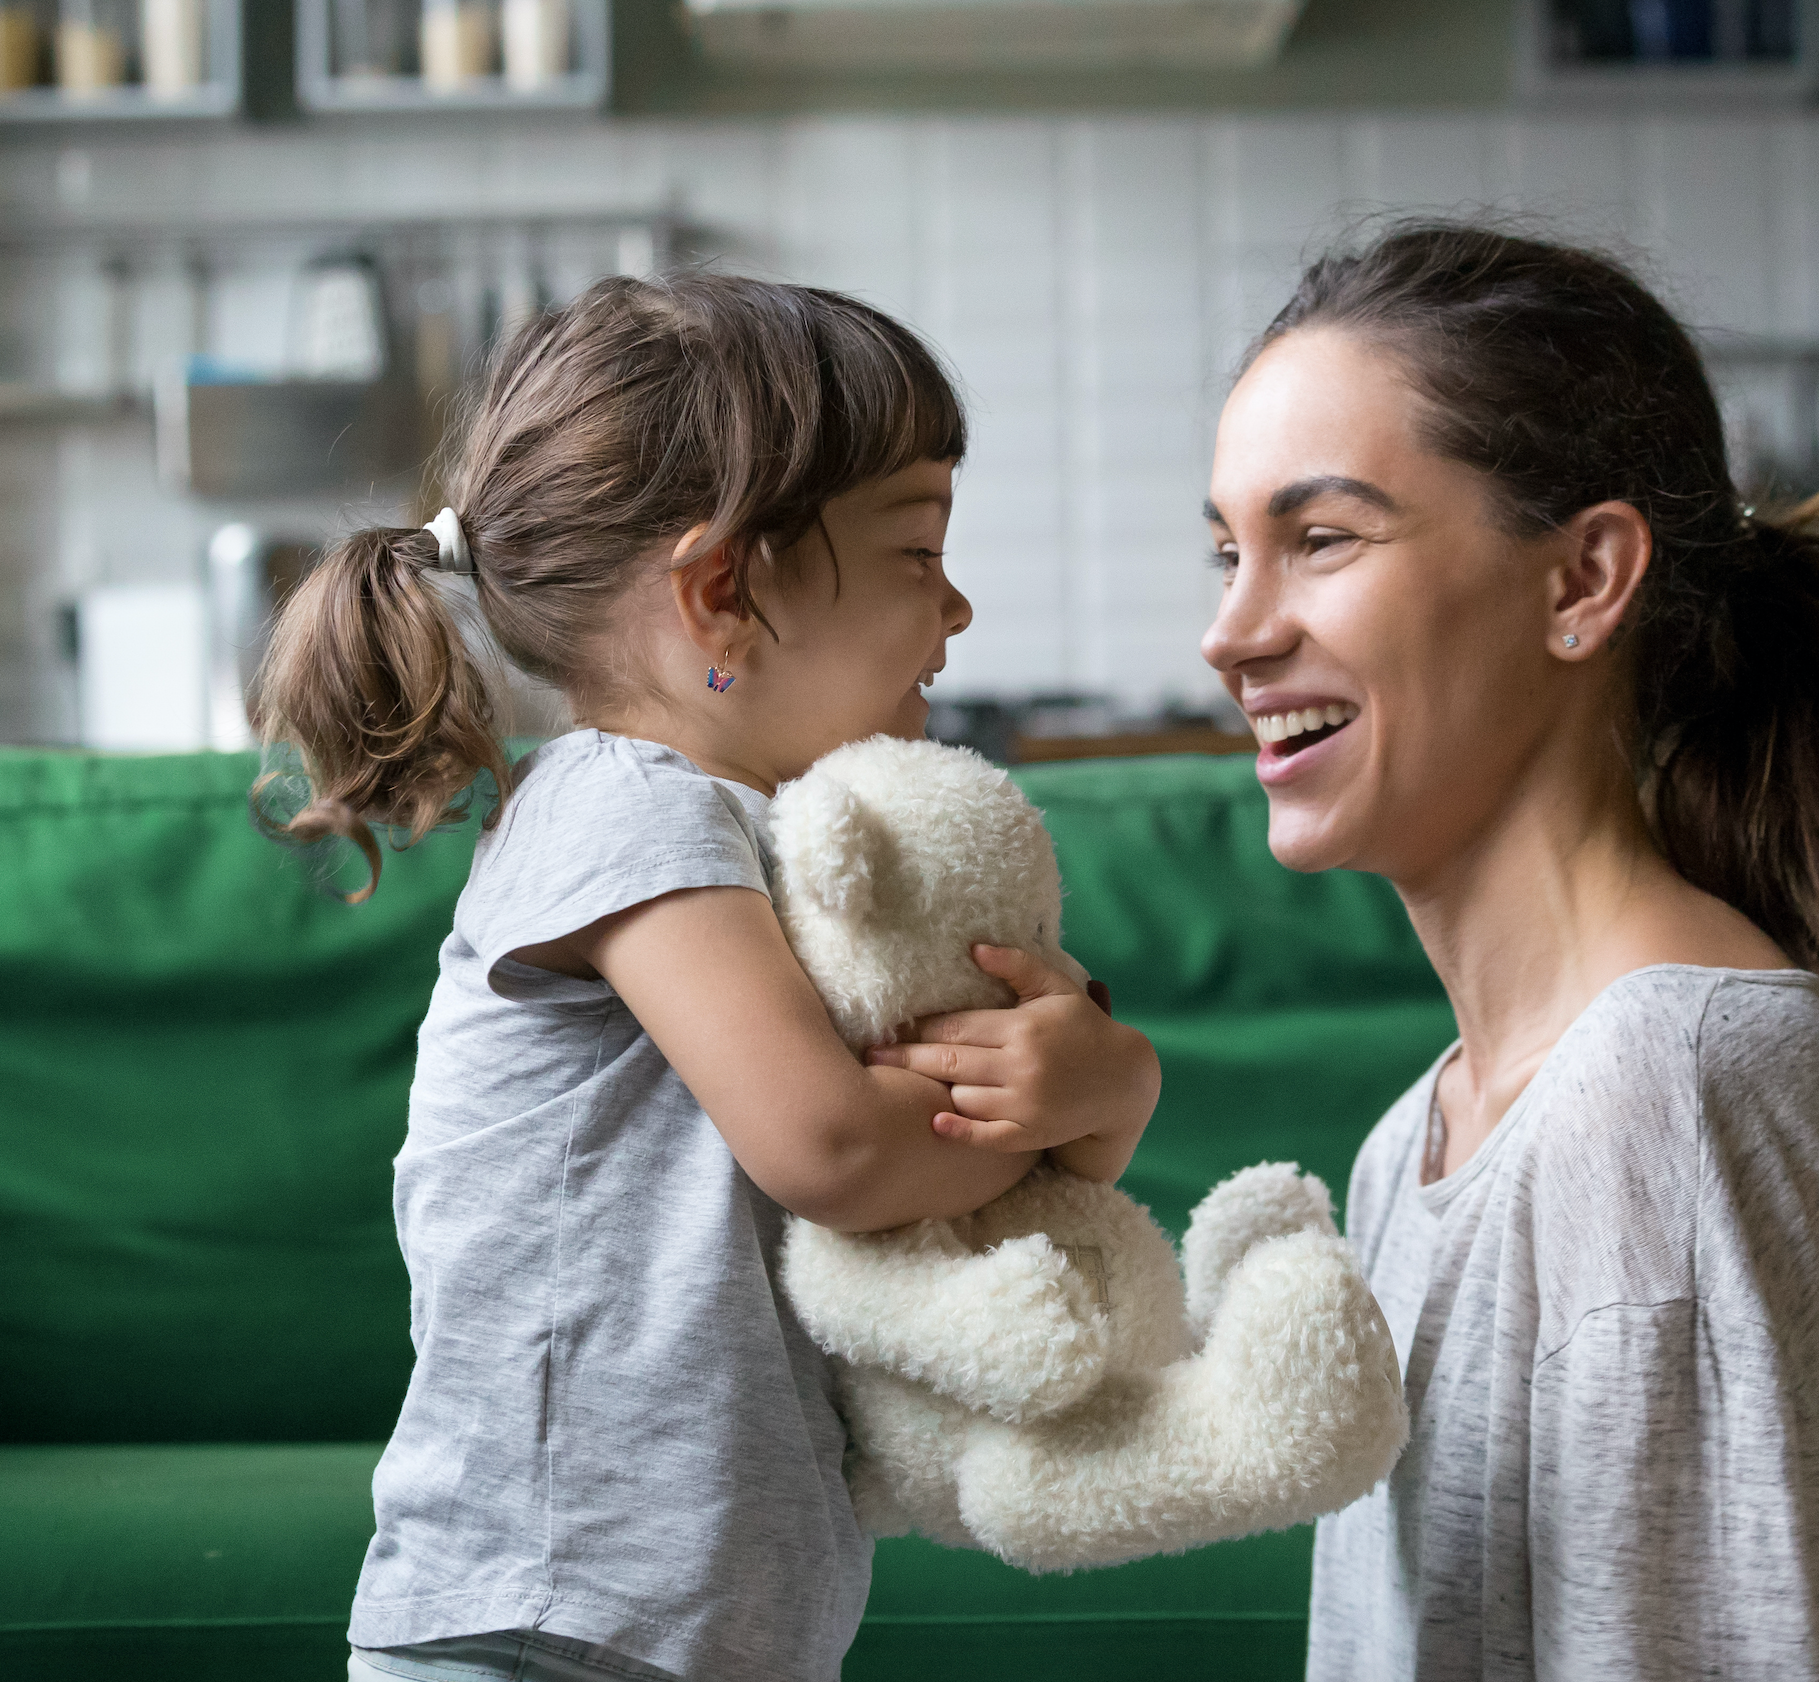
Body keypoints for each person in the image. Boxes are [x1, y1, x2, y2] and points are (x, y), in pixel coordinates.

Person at [1199, 221, 1819, 1680]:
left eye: (1322, 538)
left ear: (1581, 580)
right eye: (1227, 549)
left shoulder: (1657, 1098)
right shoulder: (1412, 1140)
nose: (1231, 630)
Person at [252, 273, 1161, 1682]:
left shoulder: (780, 844)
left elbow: (980, 1145)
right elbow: (839, 1145)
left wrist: (1091, 1085)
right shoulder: (624, 807)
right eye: (918, 550)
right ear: (723, 591)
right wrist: (1082, 1092)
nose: (960, 604)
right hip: (540, 1616)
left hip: (691, 1621)